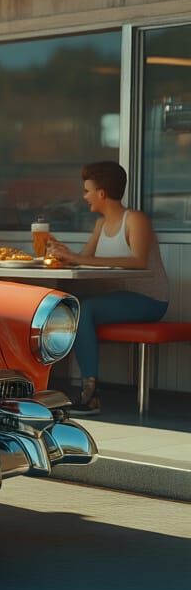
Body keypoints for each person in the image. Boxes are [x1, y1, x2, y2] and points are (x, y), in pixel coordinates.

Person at [46, 161, 169, 416]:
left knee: (83, 309)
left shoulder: (135, 220)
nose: (84, 196)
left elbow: (139, 261)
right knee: (63, 302)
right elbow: (84, 260)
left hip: (149, 299)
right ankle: (48, 383)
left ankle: (90, 394)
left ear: (101, 193)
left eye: (87, 190)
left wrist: (77, 258)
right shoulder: (101, 225)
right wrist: (65, 253)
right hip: (118, 298)